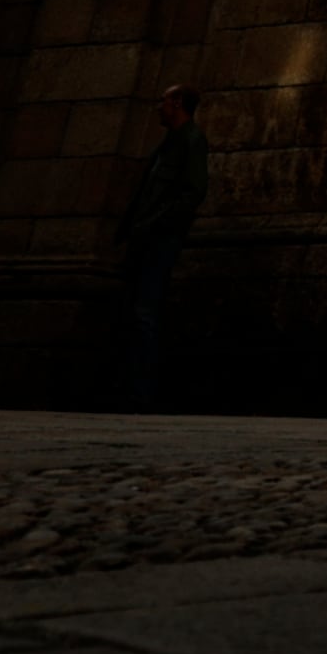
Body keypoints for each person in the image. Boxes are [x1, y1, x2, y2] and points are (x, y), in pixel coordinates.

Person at [117, 83, 208, 409]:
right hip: (146, 237)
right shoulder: (168, 143)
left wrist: (159, 225)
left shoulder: (192, 141)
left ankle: (141, 395)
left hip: (160, 239)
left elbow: (193, 191)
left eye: (164, 101)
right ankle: (131, 389)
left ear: (178, 103)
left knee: (145, 313)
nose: (159, 106)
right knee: (135, 312)